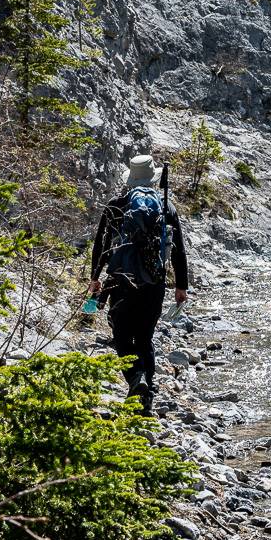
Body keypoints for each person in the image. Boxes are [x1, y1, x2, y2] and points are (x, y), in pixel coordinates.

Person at [88, 155, 189, 411]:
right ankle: (146, 400)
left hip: (121, 280)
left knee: (121, 336)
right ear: (152, 178)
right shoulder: (166, 207)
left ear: (130, 179)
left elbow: (101, 244)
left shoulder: (116, 204)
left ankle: (136, 378)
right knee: (145, 337)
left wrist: (95, 278)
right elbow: (178, 250)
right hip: (154, 282)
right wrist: (181, 286)